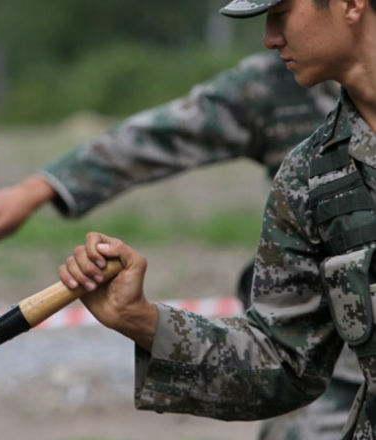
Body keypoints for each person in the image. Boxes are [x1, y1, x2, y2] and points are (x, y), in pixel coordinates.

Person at [0, 21, 357, 440]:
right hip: (326, 355)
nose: (270, 37)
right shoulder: (278, 93)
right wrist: (43, 186)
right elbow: (161, 133)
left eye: (283, 13)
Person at [57, 0, 376, 438]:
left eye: (281, 13)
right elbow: (283, 364)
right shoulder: (309, 177)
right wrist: (142, 320)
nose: (269, 38)